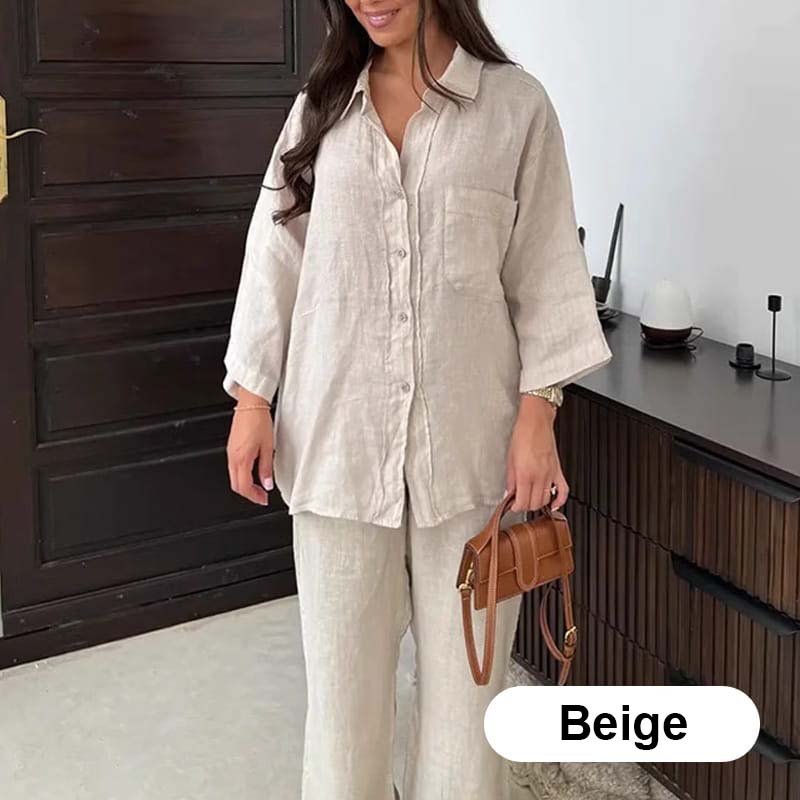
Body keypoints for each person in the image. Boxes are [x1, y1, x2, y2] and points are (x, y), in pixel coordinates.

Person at [222, 1, 611, 798]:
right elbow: (275, 255)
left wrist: (538, 415)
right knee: (341, 707)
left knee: (470, 701)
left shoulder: (515, 108)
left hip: (472, 459)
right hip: (337, 449)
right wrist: (252, 399)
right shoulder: (322, 107)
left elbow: (544, 271)